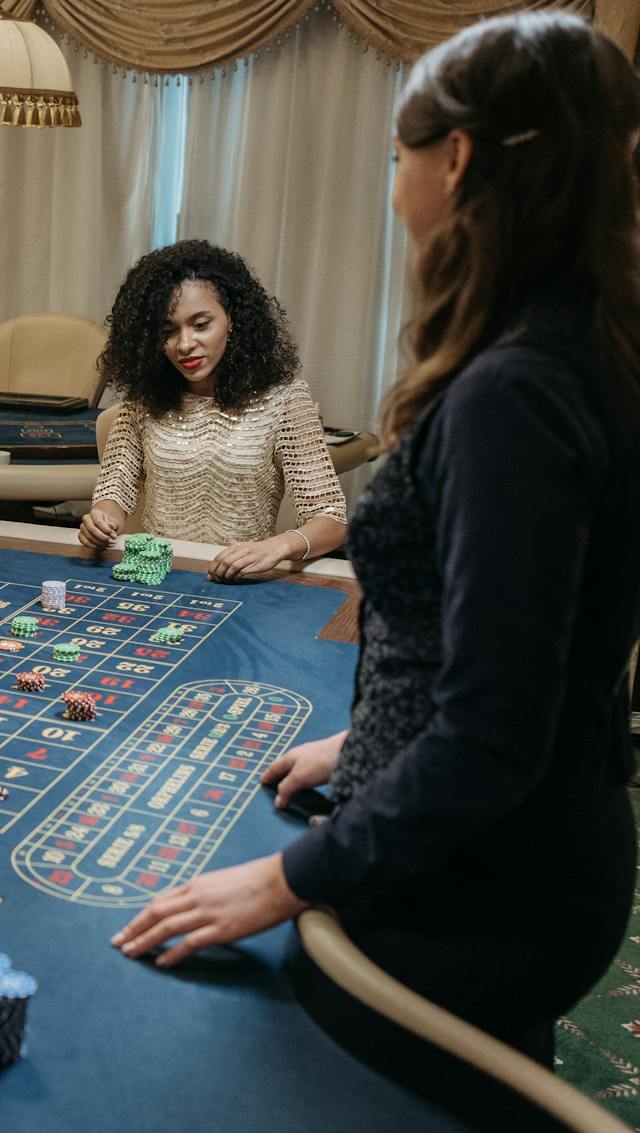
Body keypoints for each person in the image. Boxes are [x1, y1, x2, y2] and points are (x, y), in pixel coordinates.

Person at [112, 13, 640, 1063]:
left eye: (396, 153)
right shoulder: (587, 341)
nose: (392, 181)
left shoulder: (515, 392)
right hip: (538, 847)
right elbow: (534, 644)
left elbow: (495, 732)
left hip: (479, 882)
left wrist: (282, 882)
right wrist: (368, 742)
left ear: (453, 160)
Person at [80, 240, 348, 583]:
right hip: (159, 577)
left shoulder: (285, 400)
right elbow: (113, 493)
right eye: (169, 331)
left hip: (241, 580)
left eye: (201, 324)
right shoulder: (142, 402)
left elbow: (330, 518)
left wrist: (277, 547)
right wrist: (101, 519)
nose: (185, 343)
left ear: (232, 320)